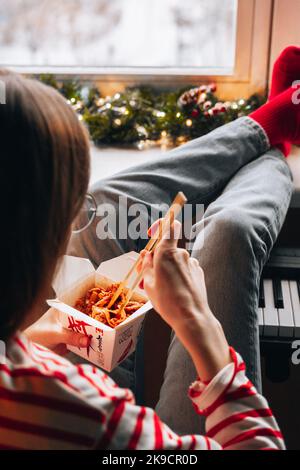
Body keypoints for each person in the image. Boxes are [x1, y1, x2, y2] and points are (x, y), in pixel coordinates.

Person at [0, 45, 298, 449]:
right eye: (65, 219)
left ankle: (264, 126)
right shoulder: (91, 418)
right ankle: (276, 139)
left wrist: (36, 335)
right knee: (229, 234)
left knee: (102, 205)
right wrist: (196, 319)